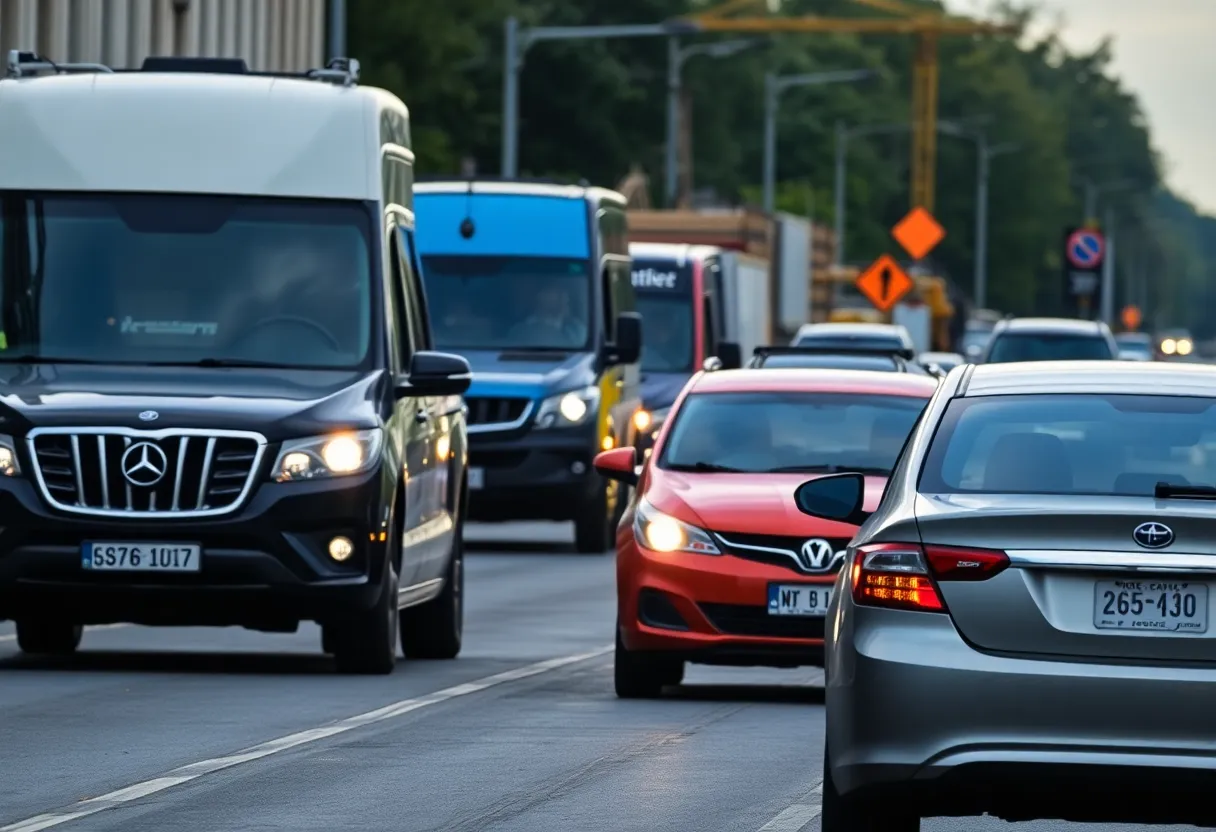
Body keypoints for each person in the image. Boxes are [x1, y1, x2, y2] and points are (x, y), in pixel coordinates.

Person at [507, 280, 587, 348]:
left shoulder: (577, 329)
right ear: (540, 295)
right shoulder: (520, 330)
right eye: (557, 291)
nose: (564, 296)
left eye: (565, 292)